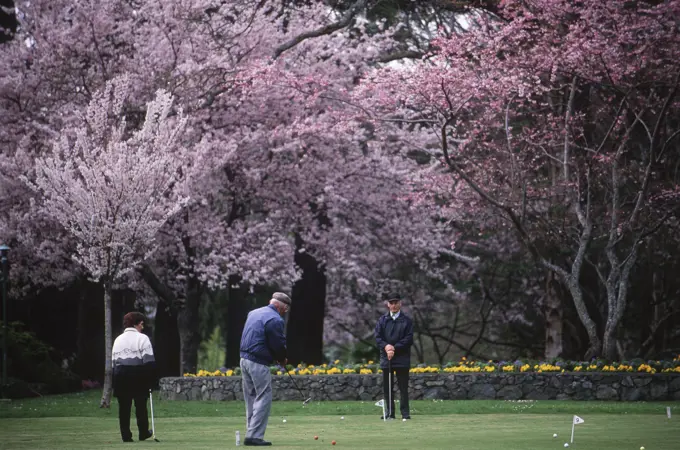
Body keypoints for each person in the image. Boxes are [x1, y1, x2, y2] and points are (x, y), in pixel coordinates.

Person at [239, 292, 291, 446]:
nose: (285, 312)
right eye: (285, 309)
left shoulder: (253, 313)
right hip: (258, 362)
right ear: (280, 307)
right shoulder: (275, 319)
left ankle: (251, 432)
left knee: (251, 397)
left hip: (244, 359)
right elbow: (277, 343)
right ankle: (254, 436)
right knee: (264, 396)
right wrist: (282, 359)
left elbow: (258, 335)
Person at [112, 311, 158, 442]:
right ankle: (143, 432)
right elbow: (149, 362)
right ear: (136, 324)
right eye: (142, 324)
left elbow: (114, 363)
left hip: (120, 375)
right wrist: (151, 380)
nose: (142, 327)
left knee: (124, 407)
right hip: (138, 374)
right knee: (141, 405)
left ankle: (125, 435)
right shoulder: (142, 338)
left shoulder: (117, 340)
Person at [374, 293, 414, 420]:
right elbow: (378, 337)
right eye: (391, 303)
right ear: (388, 305)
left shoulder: (407, 320)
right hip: (387, 358)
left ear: (400, 304)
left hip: (402, 358)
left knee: (403, 387)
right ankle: (390, 413)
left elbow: (409, 339)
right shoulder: (382, 320)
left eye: (396, 302)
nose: (394, 305)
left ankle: (405, 414)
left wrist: (394, 348)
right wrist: (387, 347)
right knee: (388, 388)